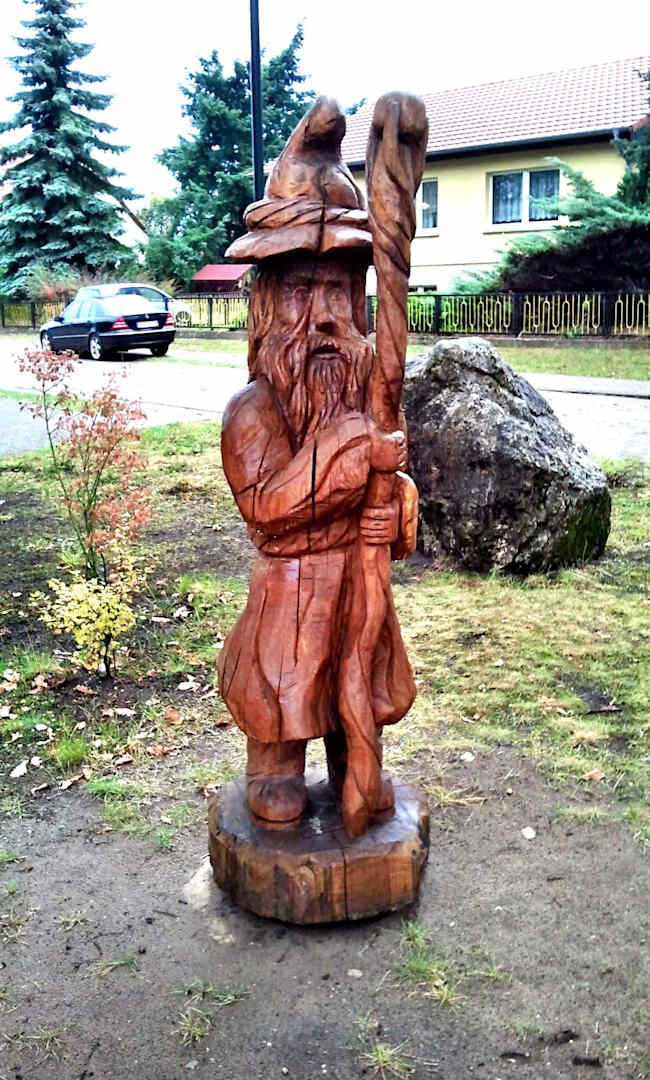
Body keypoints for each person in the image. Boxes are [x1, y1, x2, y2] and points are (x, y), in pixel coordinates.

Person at [218, 98, 417, 829]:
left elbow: (392, 476)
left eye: (338, 289)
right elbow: (268, 506)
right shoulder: (252, 412)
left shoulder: (369, 394)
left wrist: (398, 503)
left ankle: (352, 757)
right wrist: (353, 449)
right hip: (290, 584)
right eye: (303, 289)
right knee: (284, 682)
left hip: (356, 577)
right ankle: (273, 763)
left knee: (354, 677)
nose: (327, 314)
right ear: (268, 303)